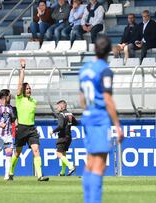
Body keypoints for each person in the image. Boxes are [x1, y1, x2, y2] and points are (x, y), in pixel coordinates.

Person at [79, 36, 123, 203]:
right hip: (99, 119)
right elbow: (107, 99)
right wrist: (117, 125)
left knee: (90, 162)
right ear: (109, 51)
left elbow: (82, 98)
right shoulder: (105, 70)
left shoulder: (84, 69)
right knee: (100, 164)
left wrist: (88, 112)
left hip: (88, 117)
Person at [8, 59, 49, 181]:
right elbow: (20, 84)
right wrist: (23, 69)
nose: (29, 90)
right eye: (27, 89)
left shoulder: (34, 101)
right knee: (18, 152)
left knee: (36, 150)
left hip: (31, 129)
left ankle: (40, 175)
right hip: (21, 128)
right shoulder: (20, 99)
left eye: (30, 88)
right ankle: (10, 172)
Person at [49, 100, 77, 176]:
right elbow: (76, 123)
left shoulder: (61, 115)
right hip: (69, 137)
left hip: (62, 136)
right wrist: (68, 123)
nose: (57, 108)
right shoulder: (70, 114)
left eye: (58, 106)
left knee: (59, 154)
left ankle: (71, 167)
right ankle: (62, 172)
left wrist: (53, 131)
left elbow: (60, 126)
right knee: (63, 154)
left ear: (62, 106)